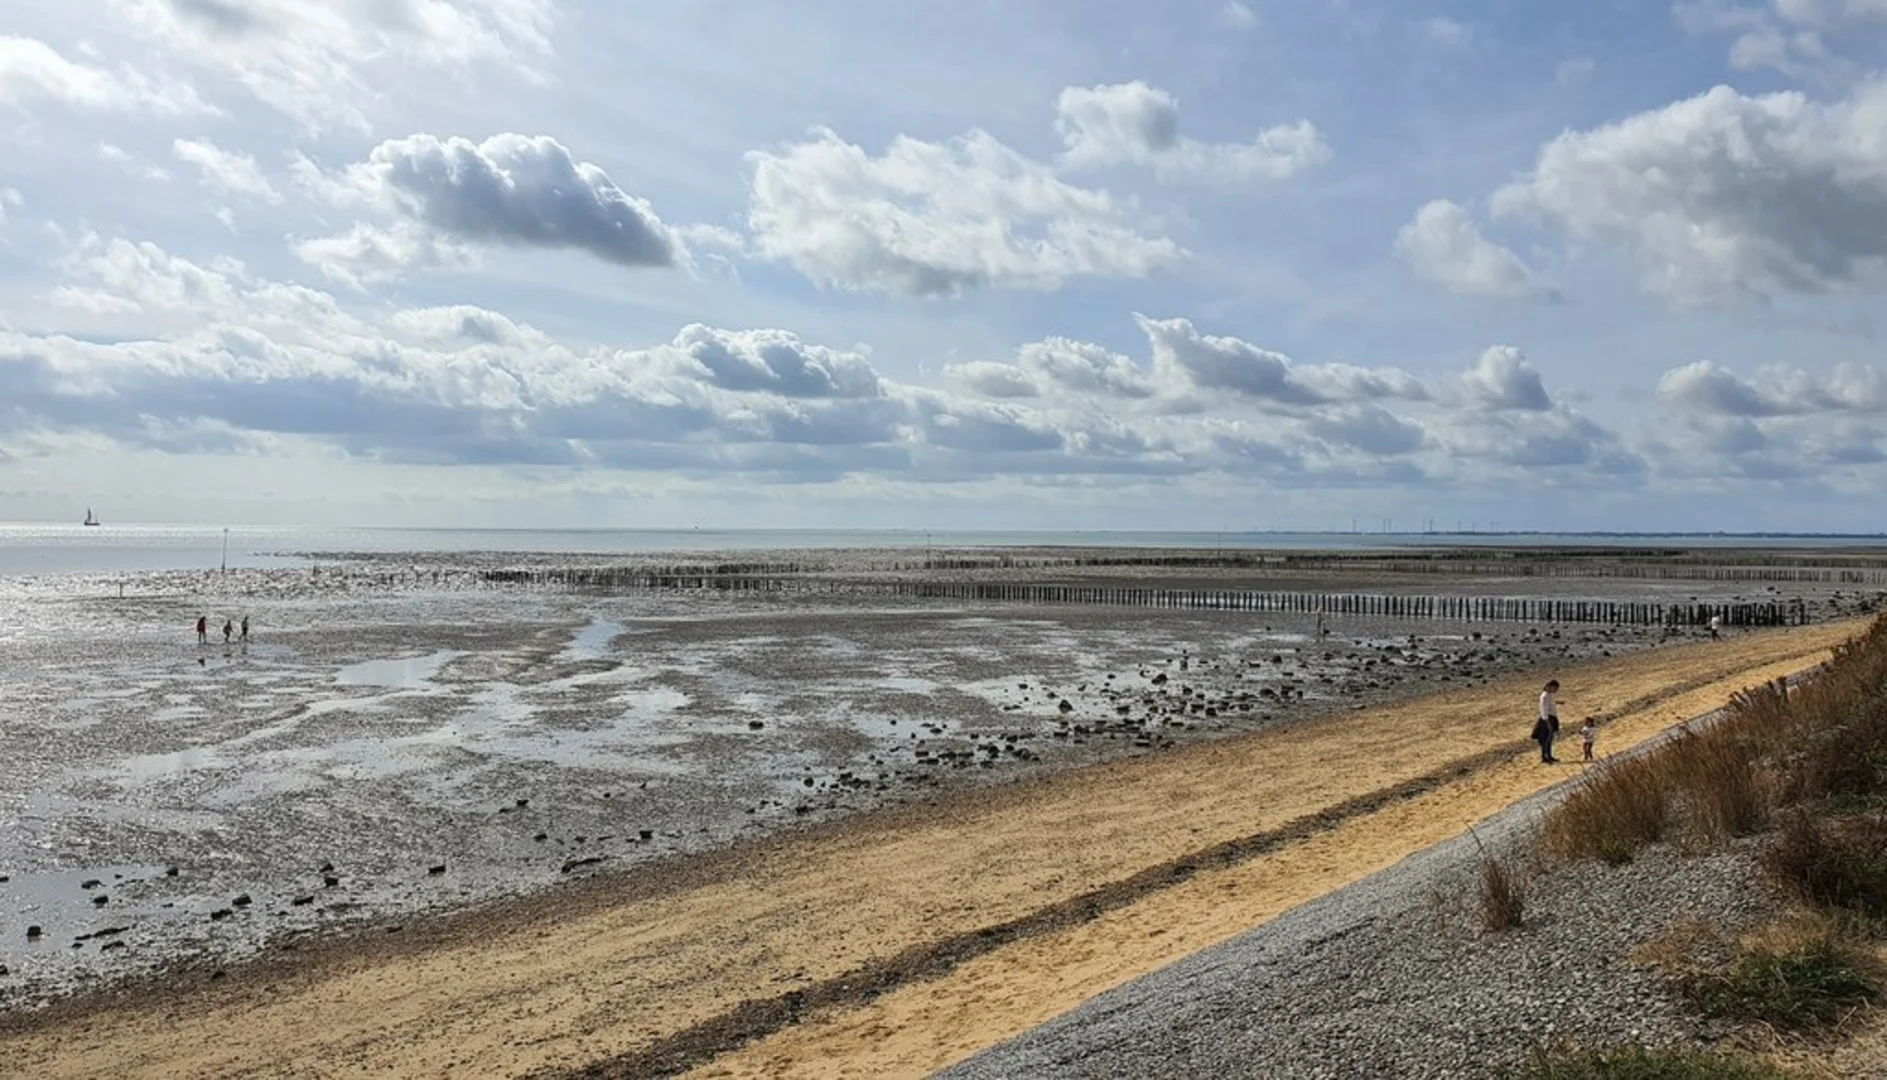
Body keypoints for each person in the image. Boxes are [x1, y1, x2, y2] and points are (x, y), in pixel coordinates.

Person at [1535, 679, 1562, 763]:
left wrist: (1558, 702)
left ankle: (1549, 755)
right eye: (1555, 688)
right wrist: (1547, 723)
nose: (1556, 690)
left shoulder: (1550, 695)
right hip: (1547, 719)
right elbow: (1544, 709)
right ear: (1550, 686)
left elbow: (1550, 704)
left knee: (1550, 739)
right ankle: (1545, 757)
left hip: (1552, 718)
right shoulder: (1544, 696)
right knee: (1546, 739)